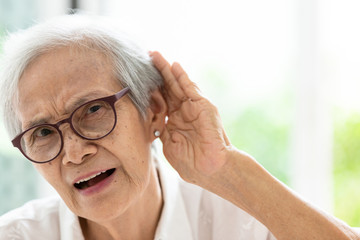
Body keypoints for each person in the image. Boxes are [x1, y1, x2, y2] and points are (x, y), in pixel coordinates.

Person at [0, 15, 358, 240]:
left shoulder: (244, 224)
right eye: (43, 133)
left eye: (93, 110)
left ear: (153, 110)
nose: (76, 152)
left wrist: (227, 168)